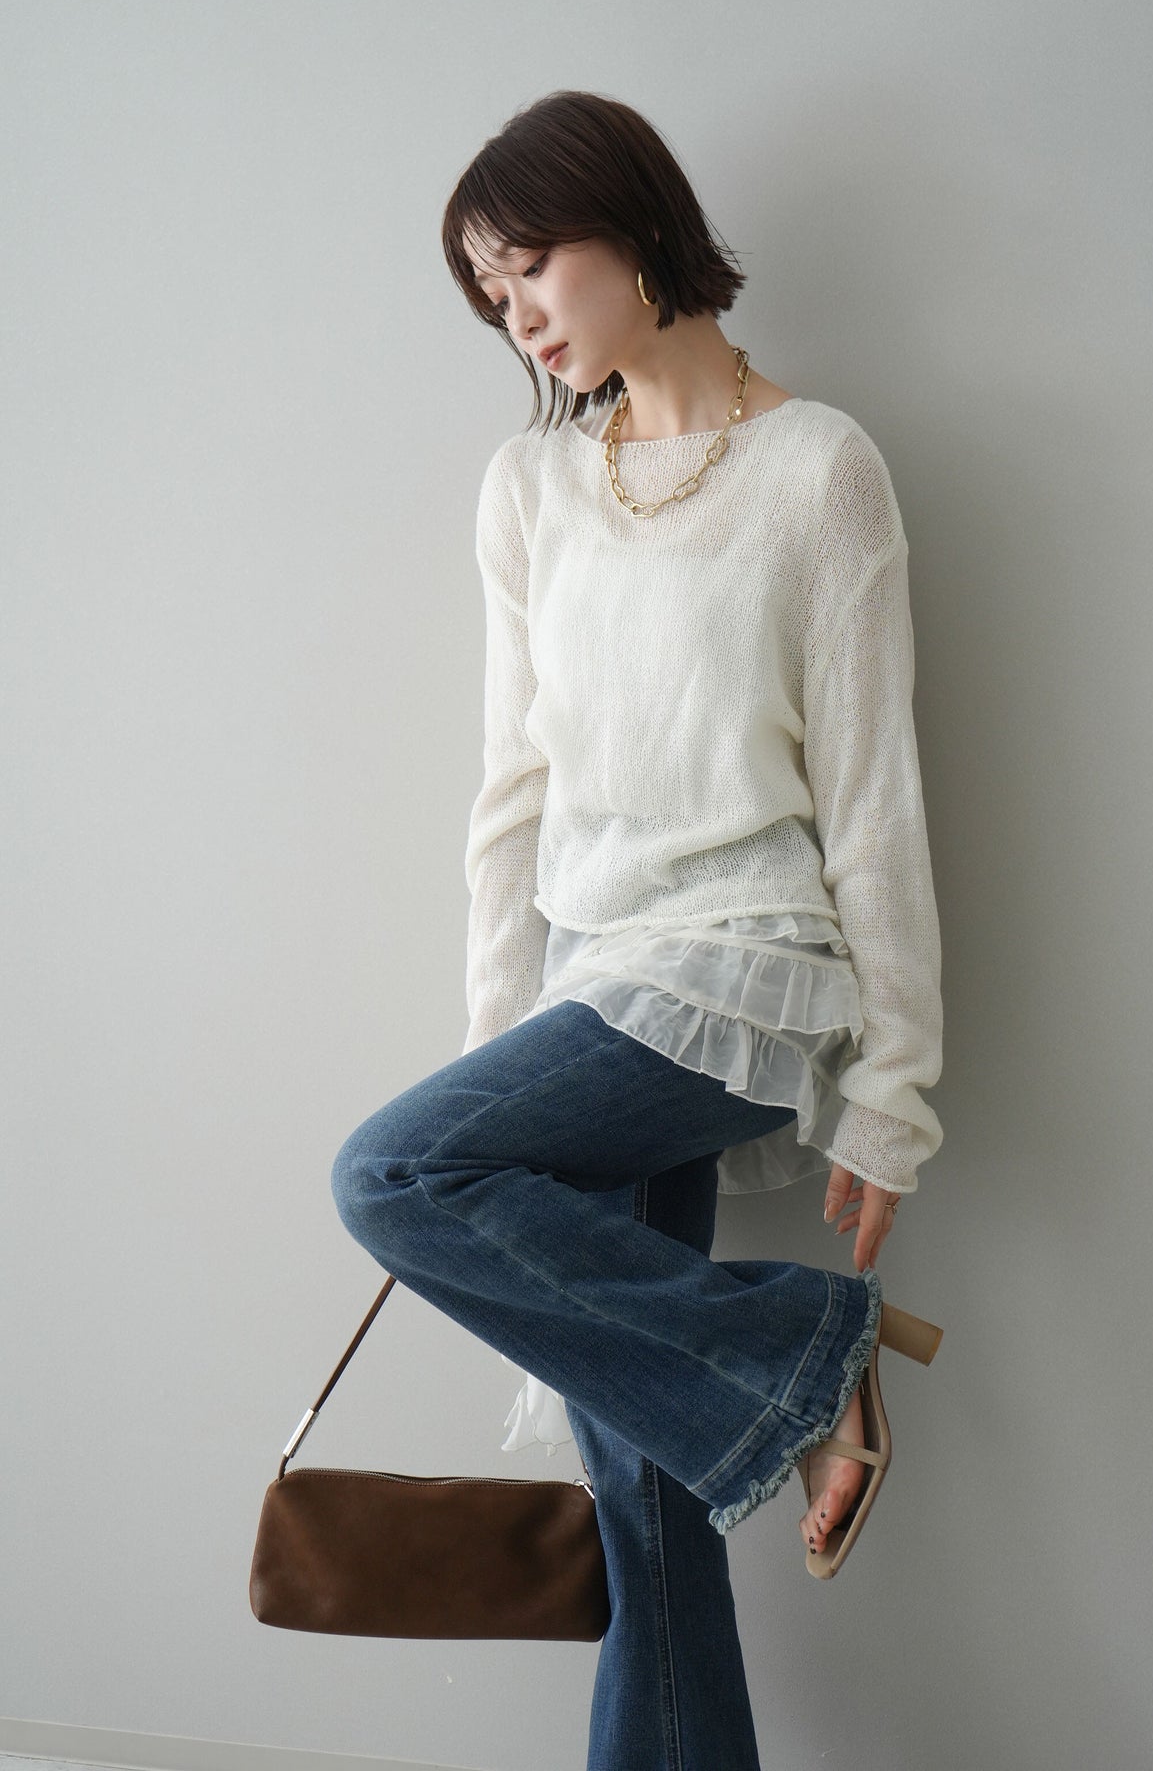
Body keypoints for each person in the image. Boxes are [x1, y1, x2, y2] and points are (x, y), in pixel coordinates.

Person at [329, 88, 944, 1771]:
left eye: (527, 266)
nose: (516, 315)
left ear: (629, 223)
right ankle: (791, 1372)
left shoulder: (820, 470)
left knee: (387, 1176)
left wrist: (892, 1096)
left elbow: (875, 799)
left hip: (743, 972)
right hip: (593, 989)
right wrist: (498, 1054)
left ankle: (805, 1350)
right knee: (650, 1503)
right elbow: (511, 803)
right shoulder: (531, 488)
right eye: (489, 294)